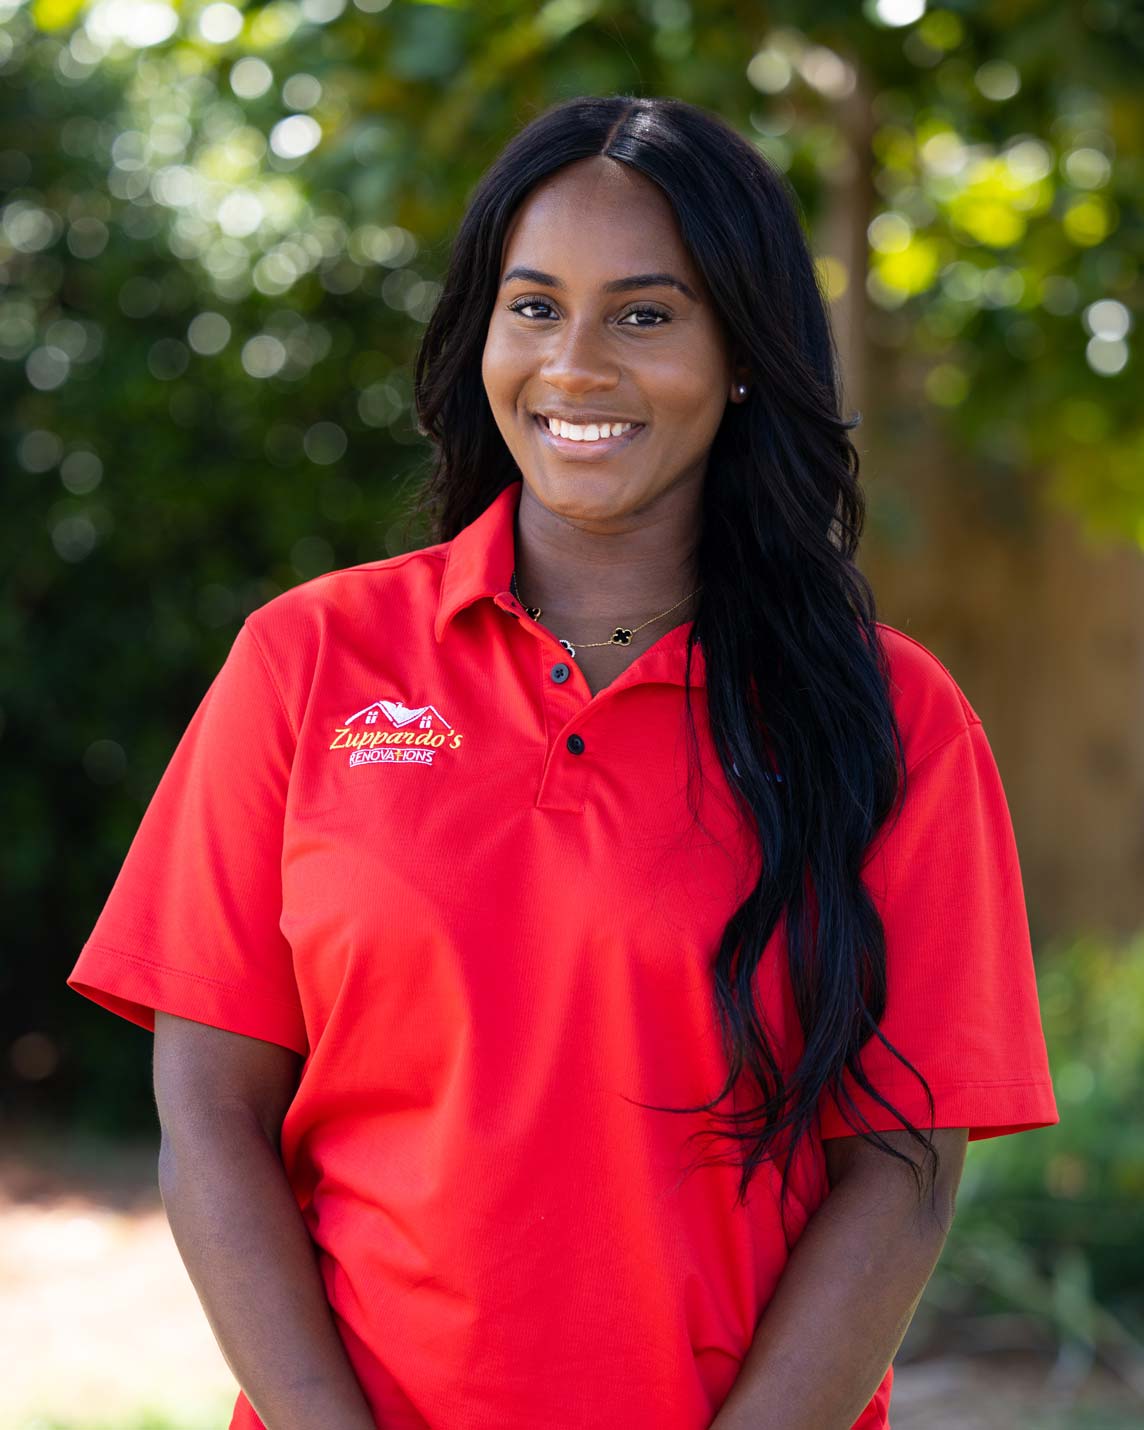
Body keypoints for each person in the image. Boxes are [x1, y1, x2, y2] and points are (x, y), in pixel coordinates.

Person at [66, 94, 1059, 1430]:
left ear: (744, 352)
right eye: (533, 307)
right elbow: (208, 1103)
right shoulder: (309, 659)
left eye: (644, 314)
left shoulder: (895, 718)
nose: (574, 363)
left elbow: (901, 1166)